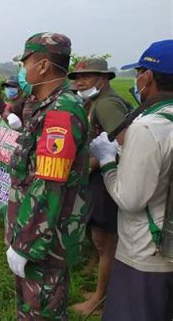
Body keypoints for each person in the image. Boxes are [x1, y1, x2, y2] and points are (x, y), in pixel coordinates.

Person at [5, 32, 89, 319]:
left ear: (42, 66)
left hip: (44, 243)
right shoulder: (45, 107)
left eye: (25, 62)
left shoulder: (60, 112)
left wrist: (26, 245)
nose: (22, 69)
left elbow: (49, 183)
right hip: (35, 236)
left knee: (40, 312)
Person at [90, 40, 173, 321]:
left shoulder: (148, 127)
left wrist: (107, 162)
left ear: (148, 76)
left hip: (146, 254)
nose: (137, 80)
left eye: (138, 72)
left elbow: (130, 199)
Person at [68, 58, 130, 315]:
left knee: (106, 243)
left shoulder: (107, 105)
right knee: (100, 240)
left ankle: (100, 299)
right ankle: (100, 286)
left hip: (107, 180)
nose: (79, 82)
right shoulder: (96, 102)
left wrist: (93, 164)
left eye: (87, 77)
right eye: (77, 78)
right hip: (100, 176)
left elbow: (126, 144)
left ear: (103, 79)